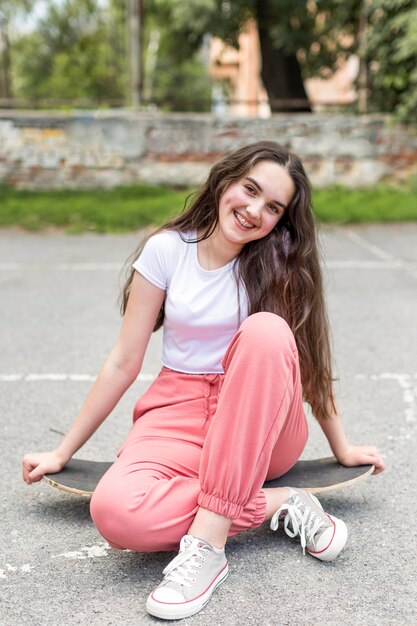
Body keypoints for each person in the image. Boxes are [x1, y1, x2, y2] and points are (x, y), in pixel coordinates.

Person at [22, 141, 384, 621]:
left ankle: (207, 548)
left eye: (273, 207)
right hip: (180, 409)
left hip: (263, 420)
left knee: (266, 331)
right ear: (225, 179)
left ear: (281, 220)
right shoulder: (167, 251)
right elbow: (123, 361)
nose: (254, 210)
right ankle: (275, 502)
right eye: (249, 189)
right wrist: (62, 452)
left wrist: (342, 447)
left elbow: (307, 364)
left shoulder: (281, 269)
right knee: (114, 512)